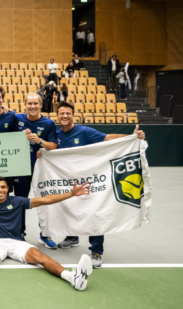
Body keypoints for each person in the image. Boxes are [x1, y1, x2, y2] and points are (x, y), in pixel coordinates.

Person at [46, 101, 146, 268]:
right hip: (68, 182)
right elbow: (50, 151)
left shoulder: (84, 131)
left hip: (89, 181)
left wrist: (132, 137)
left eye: (68, 113)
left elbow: (108, 138)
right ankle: (72, 237)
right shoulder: (56, 136)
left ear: (73, 115)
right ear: (57, 116)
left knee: (94, 214)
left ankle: (96, 250)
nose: (64, 116)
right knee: (69, 209)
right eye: (61, 113)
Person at [14, 92, 58, 248]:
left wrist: (41, 143)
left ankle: (45, 235)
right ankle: (19, 234)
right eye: (29, 103)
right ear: (24, 105)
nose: (32, 106)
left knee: (44, 201)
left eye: (35, 103)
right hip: (21, 168)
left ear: (40, 105)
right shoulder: (17, 119)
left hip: (41, 167)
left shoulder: (48, 123)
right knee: (20, 201)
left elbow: (53, 146)